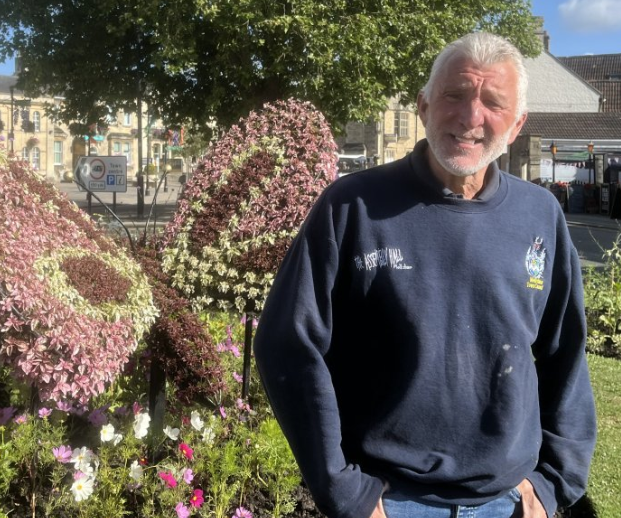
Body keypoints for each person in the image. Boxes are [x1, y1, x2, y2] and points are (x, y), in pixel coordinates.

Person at [254, 32, 596, 518]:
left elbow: (566, 351)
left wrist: (554, 481)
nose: (470, 117)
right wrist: (344, 491)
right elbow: (286, 343)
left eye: (492, 103)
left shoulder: (539, 215)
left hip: (506, 504)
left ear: (517, 124)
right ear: (424, 105)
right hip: (390, 501)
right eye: (455, 95)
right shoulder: (351, 206)